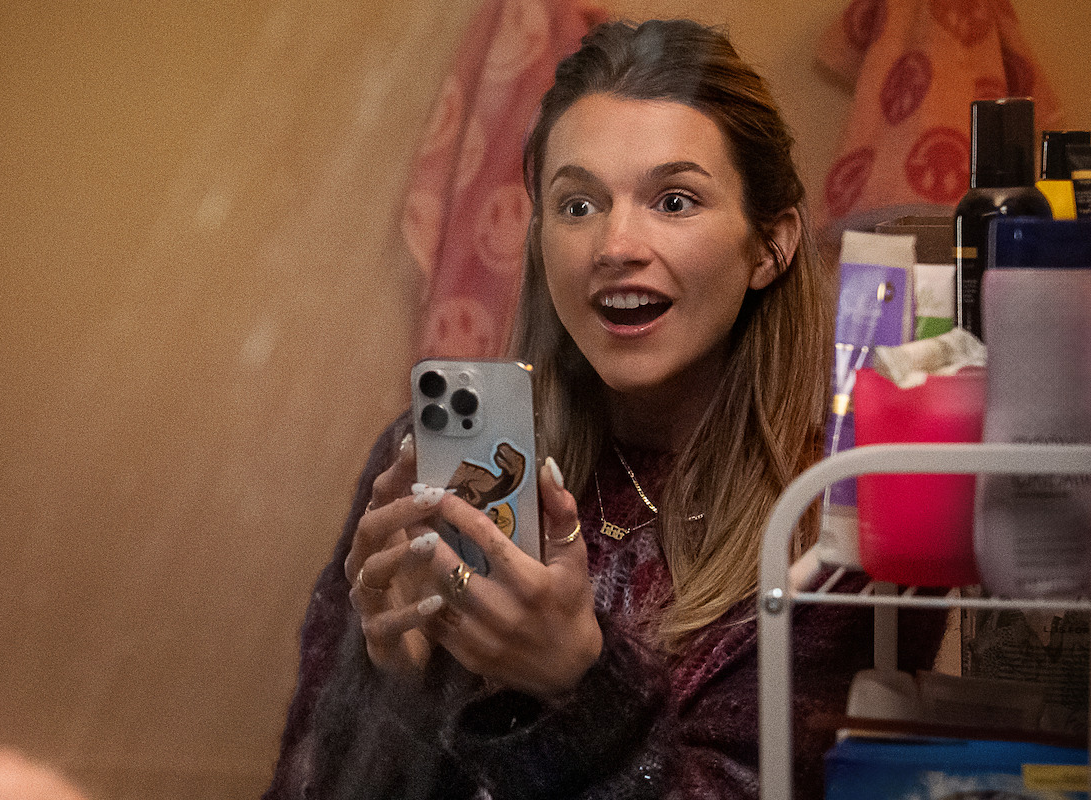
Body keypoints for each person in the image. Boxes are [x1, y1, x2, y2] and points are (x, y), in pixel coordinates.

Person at [264, 18, 943, 800]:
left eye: (674, 200)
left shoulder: (840, 519)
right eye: (578, 204)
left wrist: (580, 688)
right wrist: (392, 683)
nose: (615, 245)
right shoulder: (447, 466)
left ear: (771, 246)